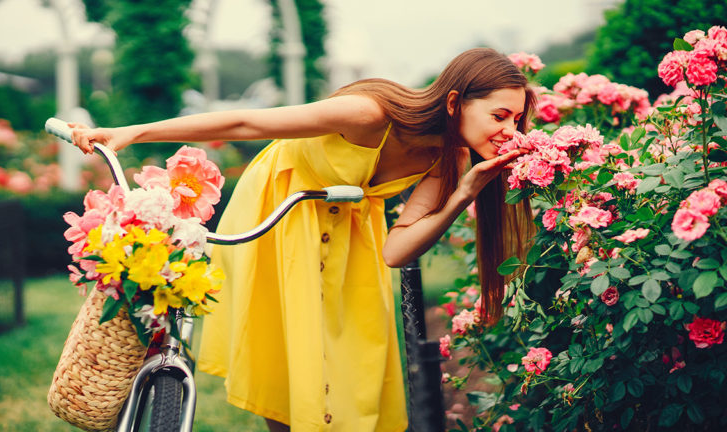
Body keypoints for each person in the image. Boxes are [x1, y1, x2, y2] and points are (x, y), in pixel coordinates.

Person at [70, 47, 536, 432]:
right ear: (455, 102)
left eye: (516, 119)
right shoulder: (369, 113)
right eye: (500, 115)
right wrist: (132, 133)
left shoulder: (450, 159)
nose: (509, 131)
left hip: (350, 230)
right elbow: (247, 125)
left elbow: (396, 251)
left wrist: (463, 195)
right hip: (283, 209)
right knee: (291, 361)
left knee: (355, 365)